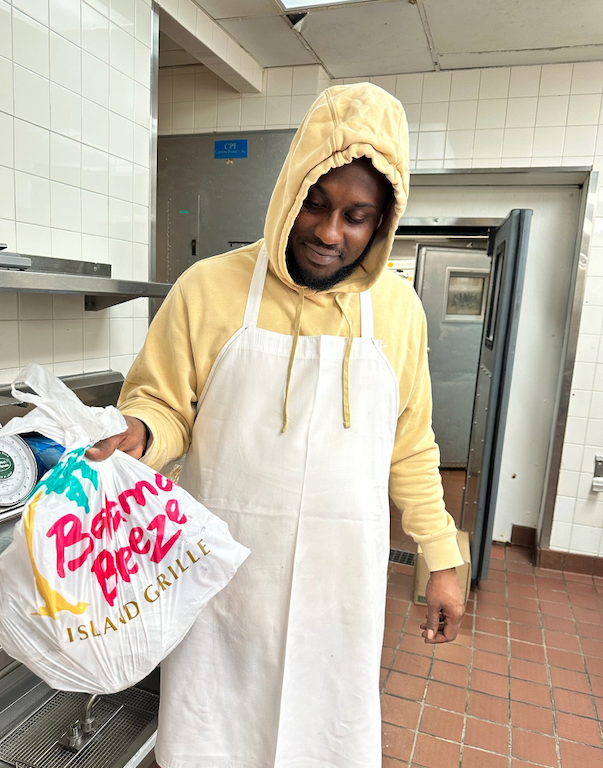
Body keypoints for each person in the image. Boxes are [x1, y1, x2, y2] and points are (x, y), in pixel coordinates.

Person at [87, 82, 465, 768]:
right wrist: (142, 430)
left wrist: (441, 556)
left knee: (322, 739)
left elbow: (409, 446)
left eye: (356, 216)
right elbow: (164, 403)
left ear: (383, 221)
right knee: (210, 737)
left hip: (338, 590)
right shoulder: (208, 287)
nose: (329, 232)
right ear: (289, 190)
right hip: (221, 580)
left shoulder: (397, 311)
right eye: (315, 204)